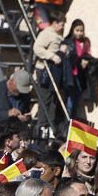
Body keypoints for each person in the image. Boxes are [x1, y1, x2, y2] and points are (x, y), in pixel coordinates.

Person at [32, 9, 69, 138]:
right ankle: (41, 128)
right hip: (44, 70)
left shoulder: (59, 35)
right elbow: (37, 48)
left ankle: (49, 126)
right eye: (61, 23)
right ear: (54, 23)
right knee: (45, 99)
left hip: (55, 71)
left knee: (53, 100)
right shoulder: (47, 34)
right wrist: (52, 56)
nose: (63, 26)